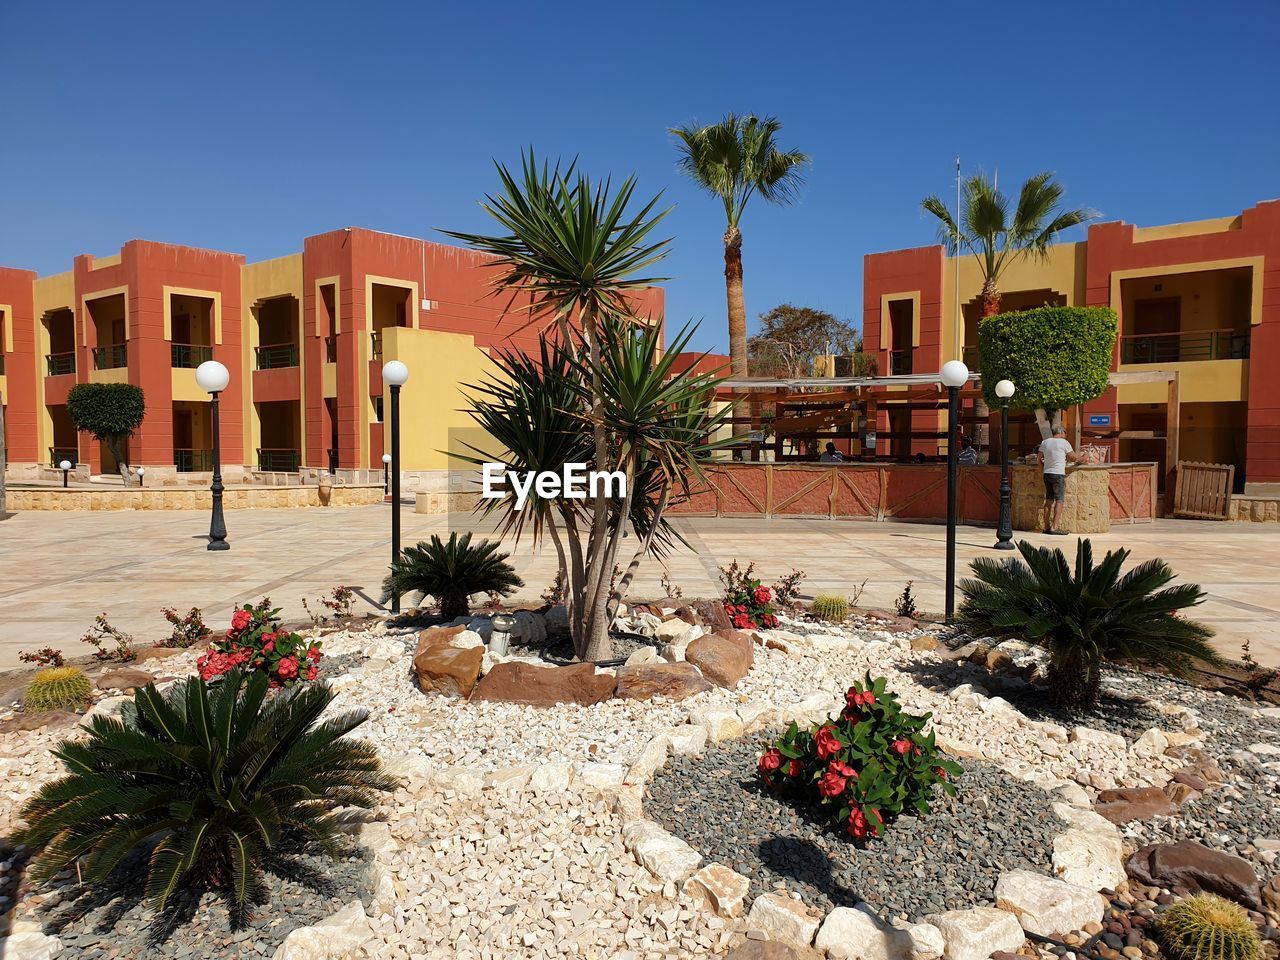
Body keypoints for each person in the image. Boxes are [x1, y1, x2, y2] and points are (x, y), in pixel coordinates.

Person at [1040, 426, 1080, 535]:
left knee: (1048, 500)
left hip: (1047, 473)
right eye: (1065, 432)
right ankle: (1055, 527)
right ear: (1061, 432)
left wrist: (1044, 468)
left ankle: (1047, 526)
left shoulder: (1045, 442)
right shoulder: (1064, 442)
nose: (1065, 435)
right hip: (1058, 474)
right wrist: (1084, 456)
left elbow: (1038, 459)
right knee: (1059, 500)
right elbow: (1074, 458)